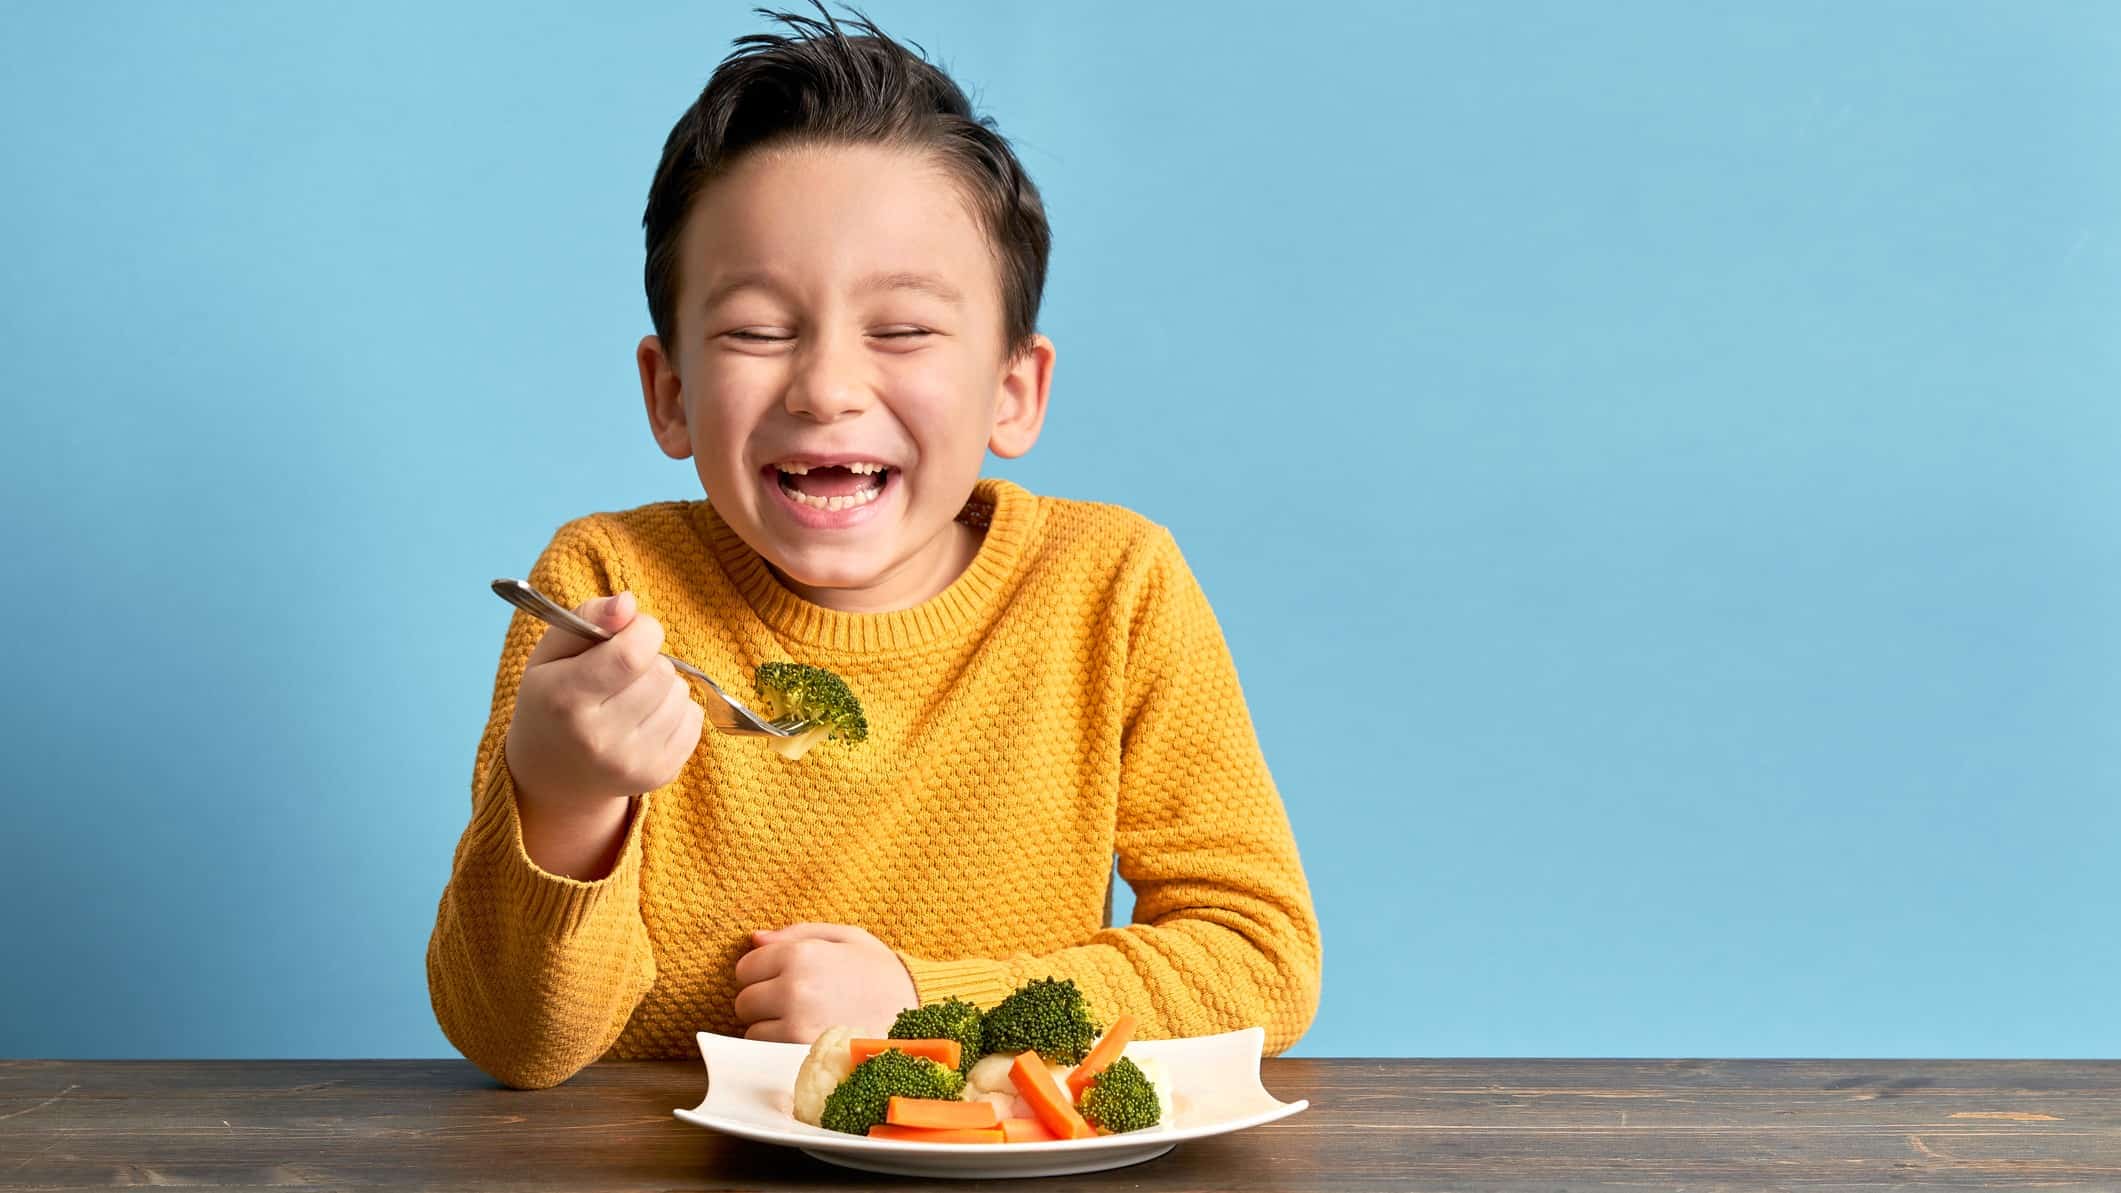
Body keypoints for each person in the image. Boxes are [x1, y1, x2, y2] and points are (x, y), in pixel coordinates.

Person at [426, 3, 1321, 1090]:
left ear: (1013, 389)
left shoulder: (1112, 585)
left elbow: (1260, 959)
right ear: (670, 395)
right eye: (757, 330)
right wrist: (562, 795)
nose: (826, 388)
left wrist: (922, 1001)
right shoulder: (608, 588)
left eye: (900, 329)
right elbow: (518, 1043)